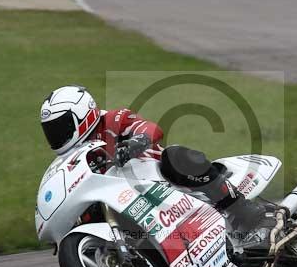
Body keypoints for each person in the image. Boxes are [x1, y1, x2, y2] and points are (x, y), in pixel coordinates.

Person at [39, 85, 266, 233]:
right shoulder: (71, 158)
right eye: (51, 130)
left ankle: (239, 208)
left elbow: (151, 128)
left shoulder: (112, 120)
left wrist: (136, 142)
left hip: (158, 176)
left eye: (61, 126)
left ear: (83, 114)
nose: (57, 135)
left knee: (173, 155)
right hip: (124, 197)